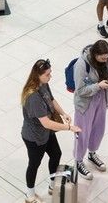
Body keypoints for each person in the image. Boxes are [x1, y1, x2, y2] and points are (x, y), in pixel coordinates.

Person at [20, 59, 79, 203]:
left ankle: (53, 184)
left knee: (56, 154)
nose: (50, 76)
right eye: (47, 74)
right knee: (34, 164)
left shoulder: (44, 84)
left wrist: (63, 113)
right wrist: (69, 128)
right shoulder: (33, 97)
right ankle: (30, 194)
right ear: (37, 75)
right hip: (34, 137)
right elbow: (46, 123)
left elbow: (51, 100)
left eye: (50, 73)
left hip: (46, 132)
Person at [72, 40, 108, 180]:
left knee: (98, 129)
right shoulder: (81, 64)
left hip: (101, 99)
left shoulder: (107, 57)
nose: (106, 59)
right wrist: (98, 86)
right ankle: (78, 161)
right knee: (83, 132)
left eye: (107, 57)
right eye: (103, 57)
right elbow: (80, 90)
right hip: (85, 104)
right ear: (95, 54)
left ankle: (92, 153)